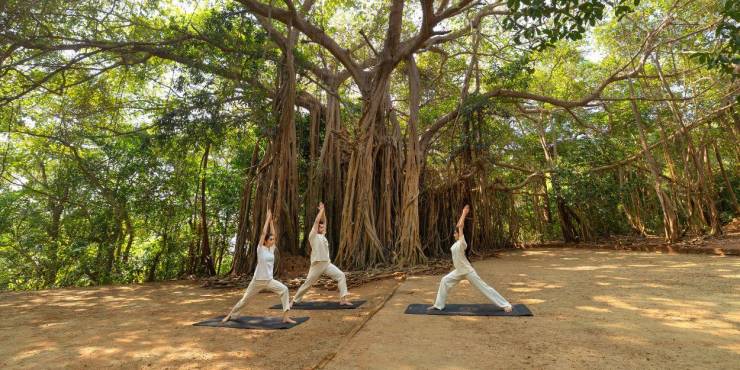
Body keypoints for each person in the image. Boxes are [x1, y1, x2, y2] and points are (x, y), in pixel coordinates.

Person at [429, 205, 513, 312]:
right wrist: (462, 214)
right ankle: (438, 305)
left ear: (459, 235)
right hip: (459, 271)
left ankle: (505, 304)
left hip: (468, 271)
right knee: (444, 280)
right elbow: (458, 225)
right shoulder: (455, 245)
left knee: (484, 287)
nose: (454, 234)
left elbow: (460, 226)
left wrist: (464, 213)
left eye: (455, 232)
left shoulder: (462, 243)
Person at [222, 209, 296, 324]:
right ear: (265, 241)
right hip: (257, 281)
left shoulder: (271, 249)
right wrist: (267, 219)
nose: (273, 241)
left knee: (284, 290)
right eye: (270, 239)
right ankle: (231, 315)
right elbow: (263, 233)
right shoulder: (260, 249)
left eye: (273, 240)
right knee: (245, 300)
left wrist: (271, 221)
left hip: (269, 280)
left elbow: (274, 234)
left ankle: (286, 317)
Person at [291, 202, 352, 306]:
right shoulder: (313, 236)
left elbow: (325, 222)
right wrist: (320, 211)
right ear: (317, 228)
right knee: (308, 284)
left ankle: (343, 299)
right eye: (320, 226)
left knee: (341, 275)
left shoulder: (323, 235)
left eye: (323, 227)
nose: (323, 227)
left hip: (327, 264)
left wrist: (323, 211)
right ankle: (294, 300)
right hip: (317, 265)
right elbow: (316, 222)